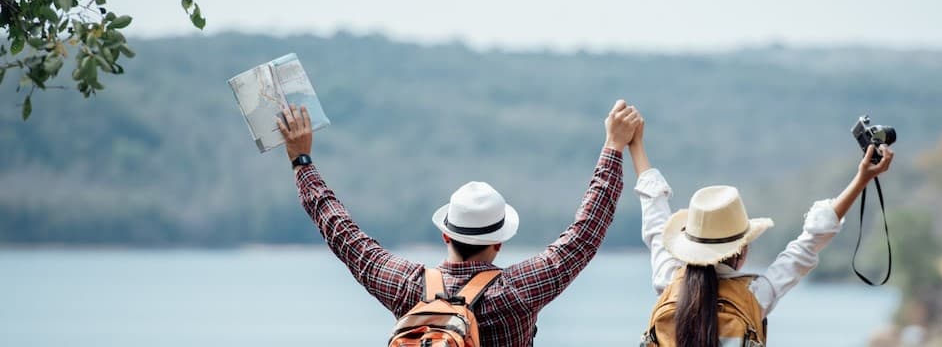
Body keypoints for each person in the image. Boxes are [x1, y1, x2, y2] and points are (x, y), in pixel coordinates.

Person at [275, 100, 643, 346]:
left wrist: (301, 161)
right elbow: (583, 235)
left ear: (445, 234)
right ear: (499, 242)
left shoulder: (408, 287)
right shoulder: (516, 292)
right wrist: (613, 147)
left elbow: (342, 233)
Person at [630, 116, 894, 346]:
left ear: (689, 245)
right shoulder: (755, 296)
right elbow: (810, 242)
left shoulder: (669, 281)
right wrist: (862, 178)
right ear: (742, 250)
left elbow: (655, 216)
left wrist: (636, 144)